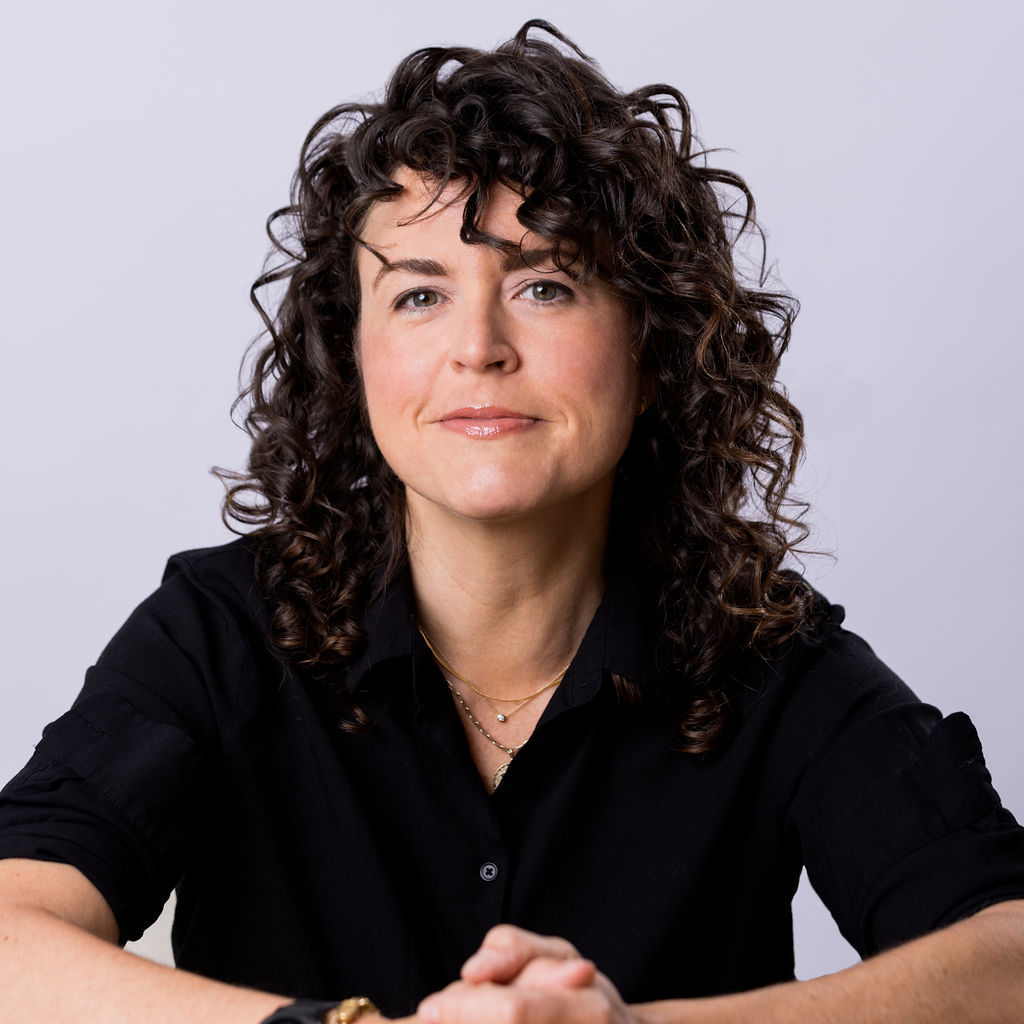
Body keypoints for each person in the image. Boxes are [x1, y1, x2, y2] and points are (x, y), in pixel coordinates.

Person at [1, 19, 1023, 1024]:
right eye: (416, 297)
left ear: (654, 350)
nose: (478, 346)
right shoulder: (218, 633)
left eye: (545, 284)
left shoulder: (765, 656)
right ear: (352, 359)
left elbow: (1006, 952)